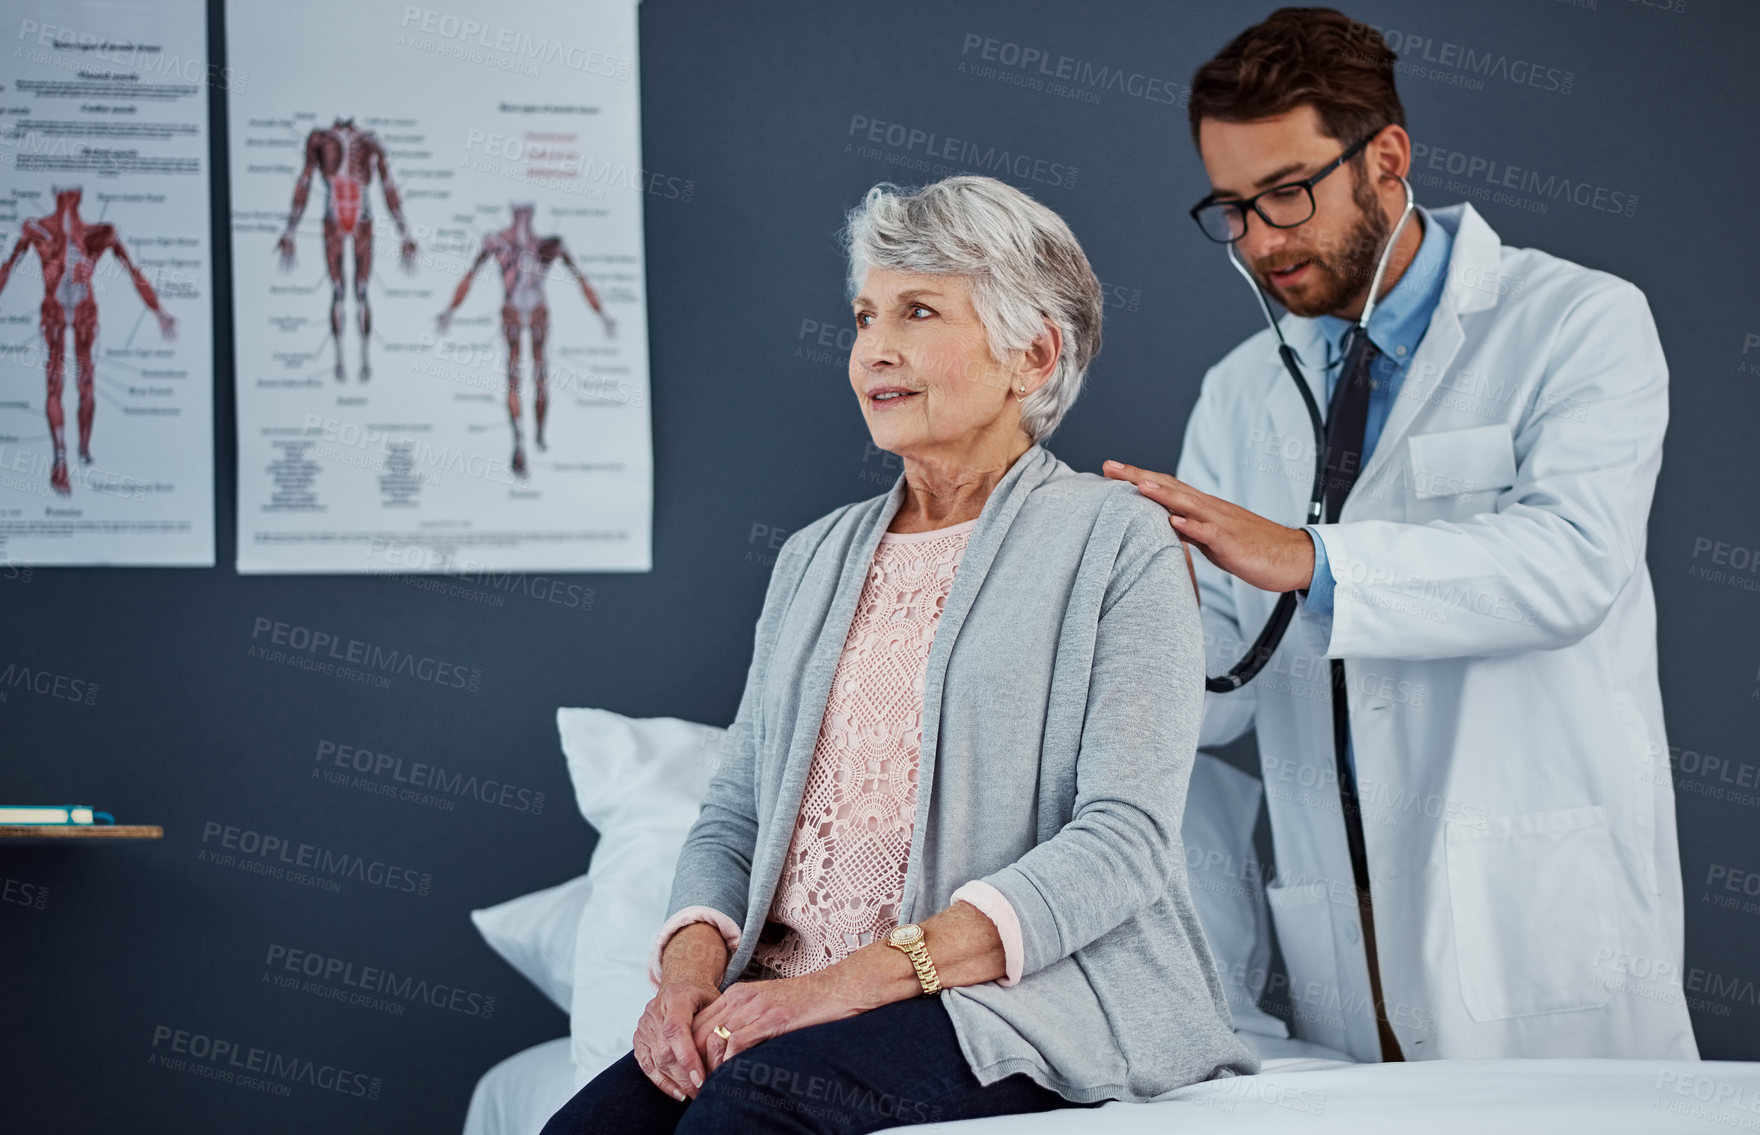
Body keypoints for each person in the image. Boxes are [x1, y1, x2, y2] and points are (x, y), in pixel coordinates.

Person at [542, 176, 1257, 1134]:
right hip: (790, 993)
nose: (874, 348)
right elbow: (735, 812)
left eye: (918, 312)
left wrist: (846, 988)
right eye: (865, 314)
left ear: (1033, 354)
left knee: (750, 1108)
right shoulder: (811, 558)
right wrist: (684, 980)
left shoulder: (1118, 542)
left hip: (1013, 995)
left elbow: (1120, 840)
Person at [1104, 7, 1696, 1063]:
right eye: (1229, 208)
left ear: (1385, 158)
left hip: (1531, 914)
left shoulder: (1577, 323)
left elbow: (1571, 567)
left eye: (1286, 194)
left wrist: (1308, 556)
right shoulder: (1238, 391)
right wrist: (1105, 622)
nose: (1258, 242)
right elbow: (1222, 685)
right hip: (1345, 923)